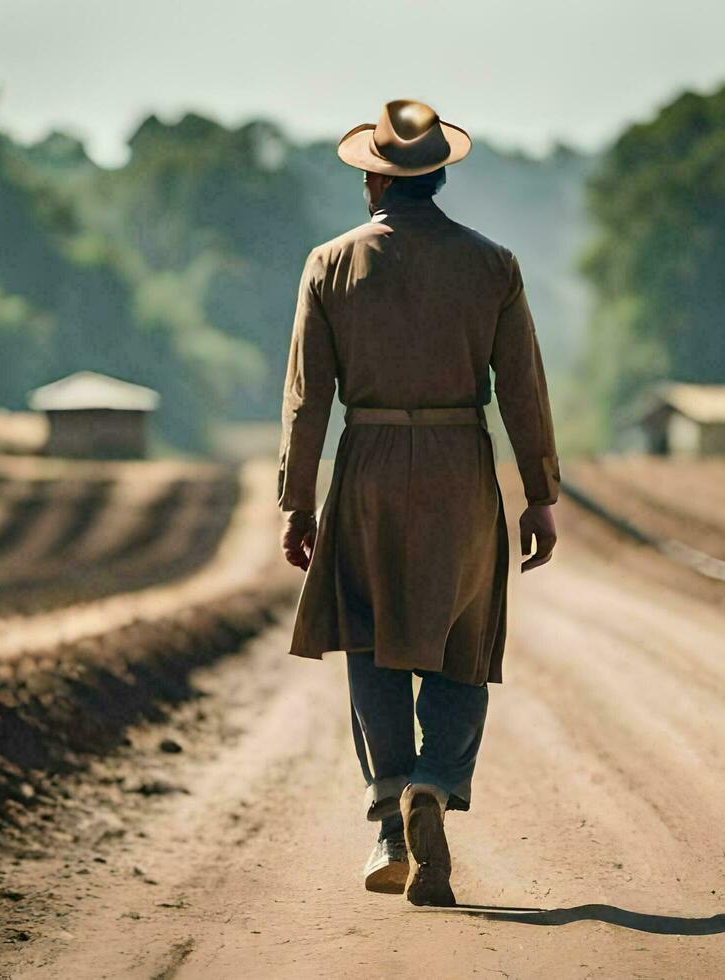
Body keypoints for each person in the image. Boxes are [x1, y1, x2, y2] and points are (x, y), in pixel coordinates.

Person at [276, 100, 561, 907]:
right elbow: (524, 390)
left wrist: (298, 501)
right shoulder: (493, 266)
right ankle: (434, 781)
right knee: (462, 639)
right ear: (437, 175)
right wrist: (539, 494)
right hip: (458, 465)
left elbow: (308, 399)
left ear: (374, 177)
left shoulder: (328, 264)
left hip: (365, 464)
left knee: (370, 639)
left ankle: (387, 814)